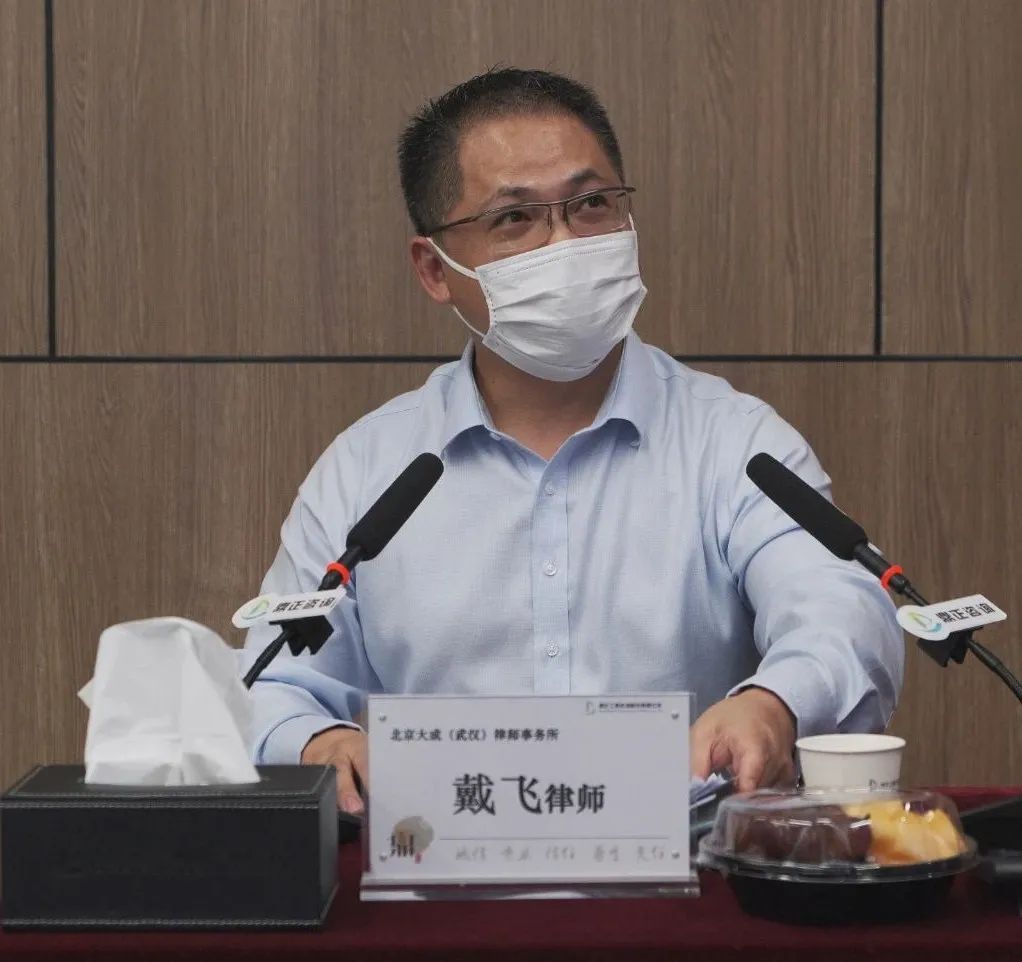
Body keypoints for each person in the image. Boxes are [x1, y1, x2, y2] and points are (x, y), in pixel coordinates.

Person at [242, 67, 903, 814]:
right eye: (515, 218)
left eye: (591, 205)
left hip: (687, 866)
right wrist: (320, 743)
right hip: (440, 865)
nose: (565, 242)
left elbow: (843, 614)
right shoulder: (368, 469)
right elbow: (272, 681)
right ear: (434, 269)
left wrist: (774, 704)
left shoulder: (734, 443)